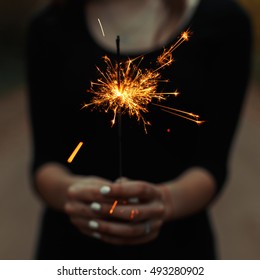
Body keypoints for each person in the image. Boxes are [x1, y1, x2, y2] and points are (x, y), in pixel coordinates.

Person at [26, 0, 252, 260]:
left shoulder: (224, 22)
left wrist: (166, 200)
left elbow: (212, 162)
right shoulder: (49, 26)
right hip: (70, 254)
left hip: (177, 253)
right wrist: (70, 193)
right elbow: (45, 161)